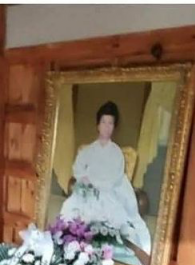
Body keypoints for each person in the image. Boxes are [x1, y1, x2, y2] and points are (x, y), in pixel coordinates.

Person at [60, 100, 151, 254]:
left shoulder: (116, 153)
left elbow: (115, 178)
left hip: (109, 192)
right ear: (98, 125)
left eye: (110, 123)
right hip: (89, 191)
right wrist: (84, 178)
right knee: (71, 212)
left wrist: (97, 184)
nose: (106, 127)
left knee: (113, 219)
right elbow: (77, 168)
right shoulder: (88, 150)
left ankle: (102, 244)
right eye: (103, 122)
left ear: (114, 127)